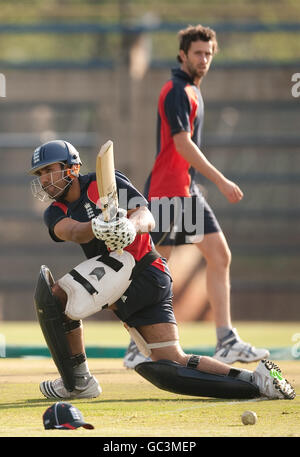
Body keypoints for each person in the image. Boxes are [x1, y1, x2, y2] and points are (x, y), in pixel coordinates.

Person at [28, 139, 295, 402]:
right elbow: (72, 231)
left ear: (72, 168)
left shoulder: (104, 183)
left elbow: (147, 216)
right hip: (118, 278)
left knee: (56, 297)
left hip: (144, 269)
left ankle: (78, 383)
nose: (44, 179)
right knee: (172, 364)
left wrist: (131, 226)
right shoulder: (53, 212)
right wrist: (97, 226)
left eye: (50, 169)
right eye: (40, 173)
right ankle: (257, 381)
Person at [124, 24, 269, 369]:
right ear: (182, 55)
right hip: (167, 193)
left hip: (187, 192)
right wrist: (220, 180)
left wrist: (197, 184)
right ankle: (137, 345)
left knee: (219, 256)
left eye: (208, 53)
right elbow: (181, 143)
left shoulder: (190, 89)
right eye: (198, 53)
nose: (204, 59)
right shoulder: (176, 90)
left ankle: (227, 341)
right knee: (153, 268)